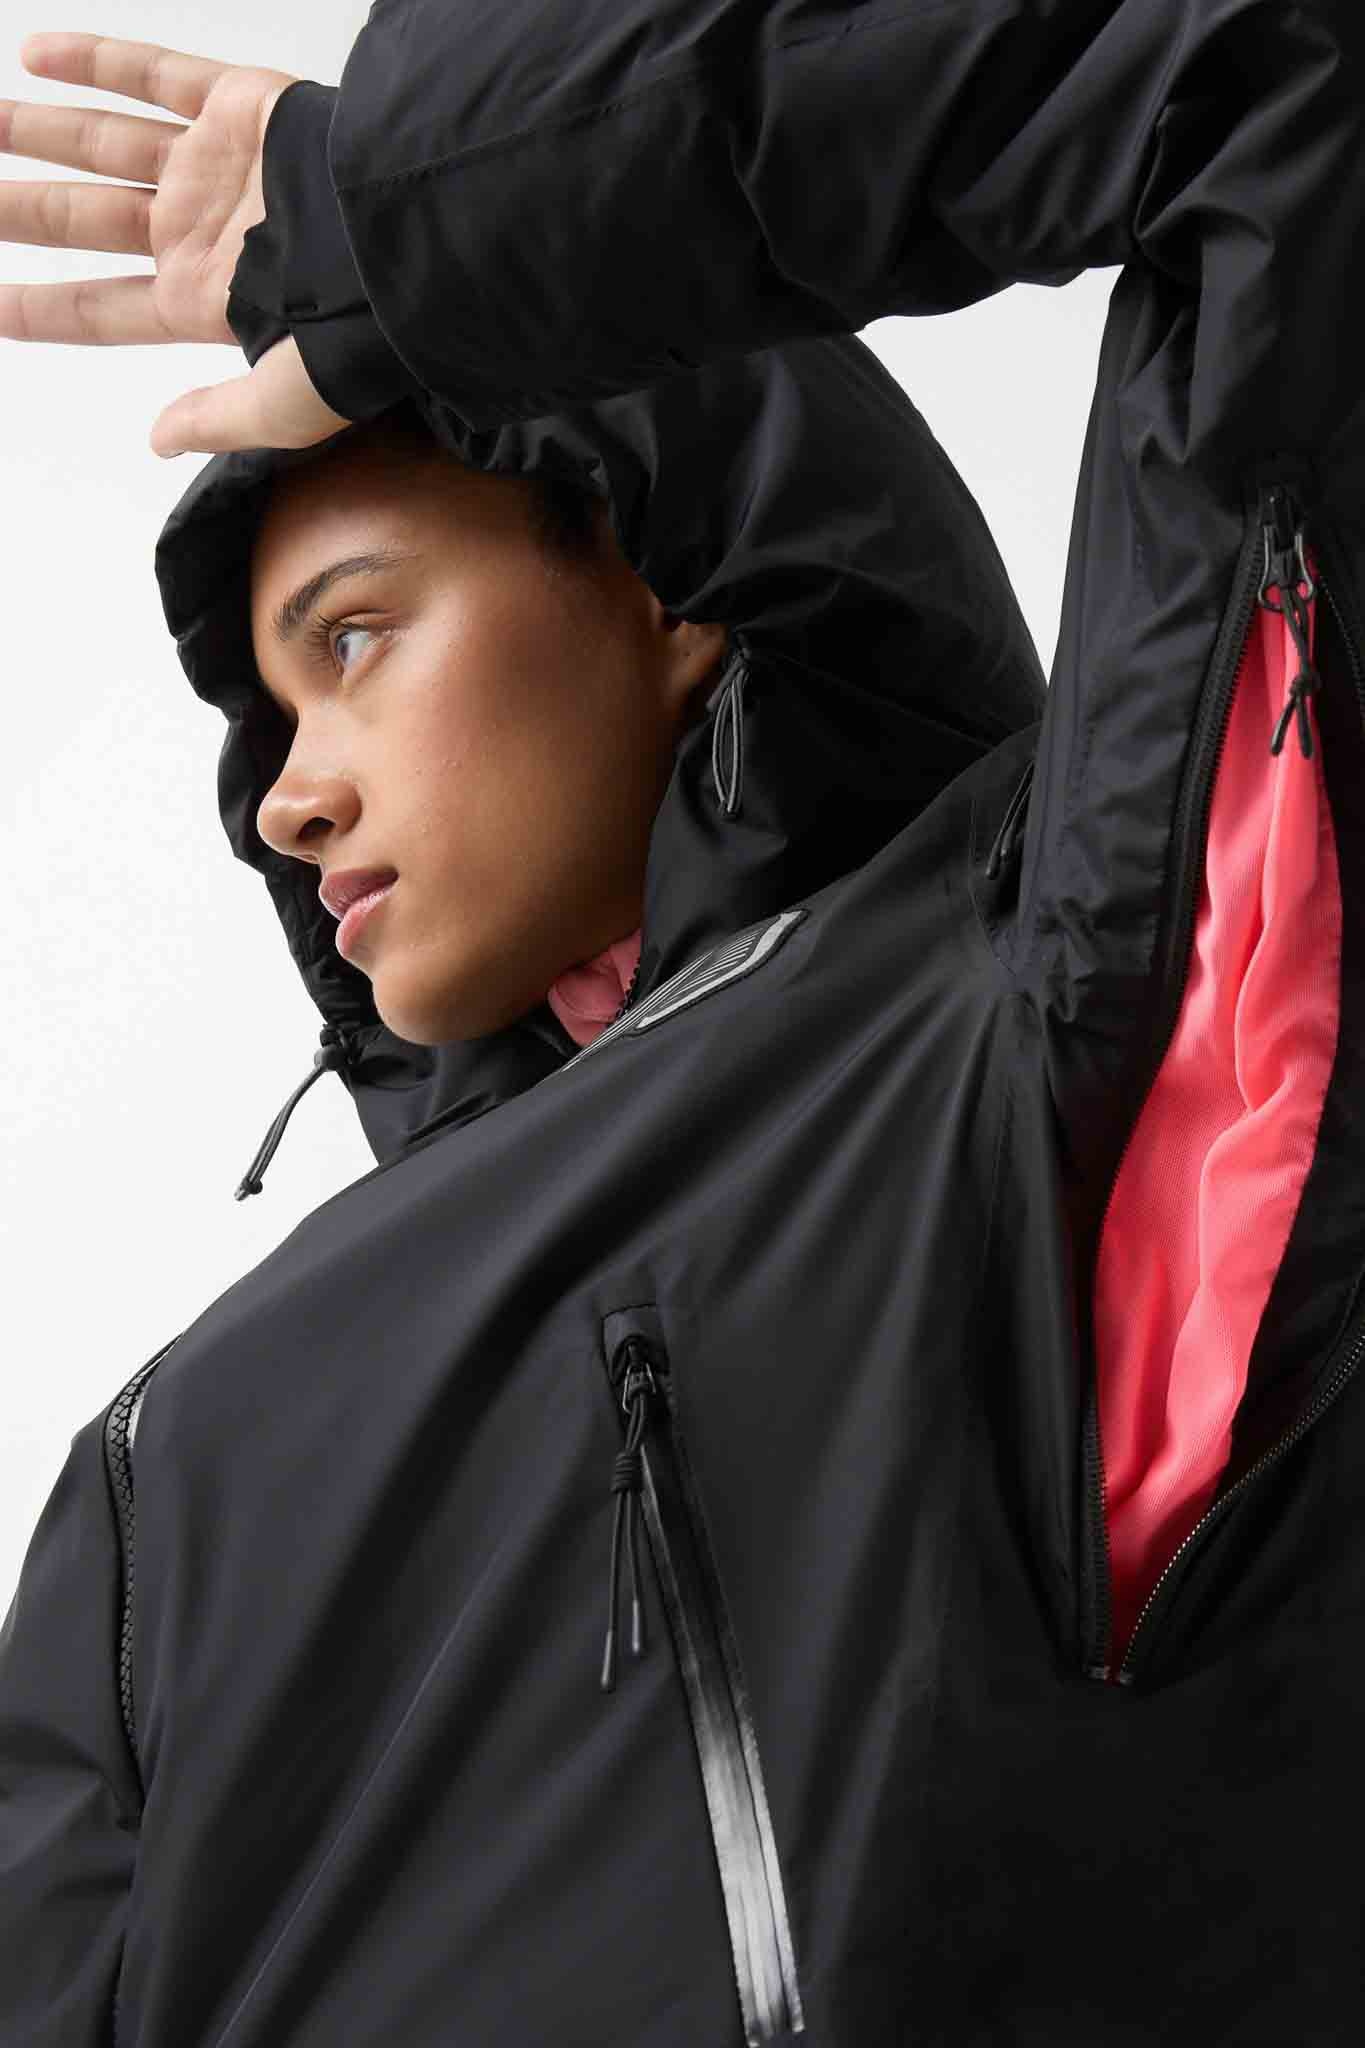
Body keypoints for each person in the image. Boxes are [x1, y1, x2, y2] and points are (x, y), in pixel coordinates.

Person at [1, 6, 1362, 2042]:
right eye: (271, 716)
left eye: (353, 636)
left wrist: (434, 226)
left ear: (666, 580)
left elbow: (1276, 86)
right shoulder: (151, 1465)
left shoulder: (1051, 1028)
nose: (284, 795)